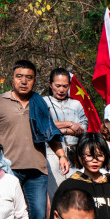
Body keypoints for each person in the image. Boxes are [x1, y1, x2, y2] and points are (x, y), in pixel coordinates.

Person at [0, 61, 68, 219]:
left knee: (38, 217)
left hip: (37, 171)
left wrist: (61, 155)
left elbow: (50, 132)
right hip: (7, 171)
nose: (24, 81)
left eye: (29, 78)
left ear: (34, 80)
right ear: (12, 78)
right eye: (19, 77)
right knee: (7, 217)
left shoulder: (39, 103)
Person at [43, 68, 87, 199]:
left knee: (76, 194)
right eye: (58, 86)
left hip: (75, 154)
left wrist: (59, 130)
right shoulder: (43, 102)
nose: (61, 90)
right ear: (50, 84)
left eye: (65, 86)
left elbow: (83, 127)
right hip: (51, 155)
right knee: (56, 195)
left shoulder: (76, 104)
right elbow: (44, 126)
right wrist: (70, 124)